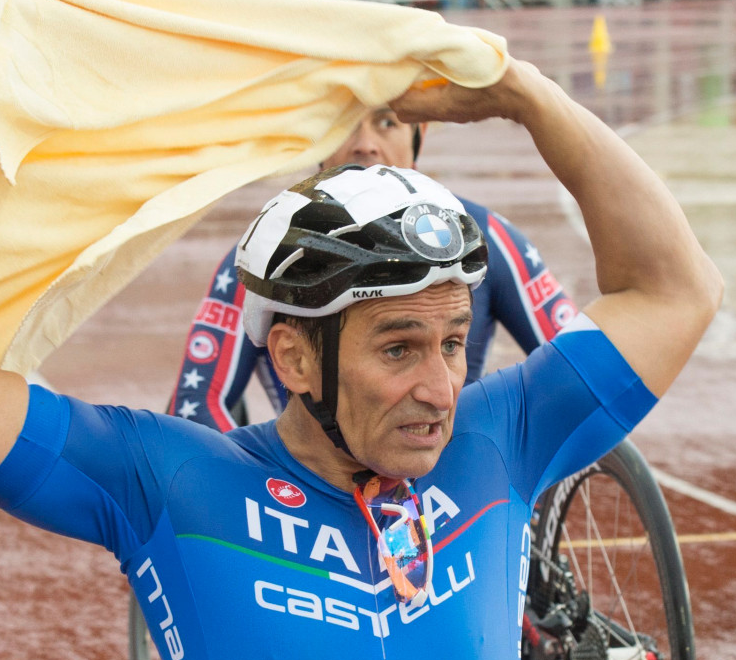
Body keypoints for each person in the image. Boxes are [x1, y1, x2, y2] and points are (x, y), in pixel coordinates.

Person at [0, 59, 722, 660]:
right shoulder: (173, 480)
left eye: (455, 342)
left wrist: (527, 97)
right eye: (399, 348)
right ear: (294, 357)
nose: (441, 388)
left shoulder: (498, 442)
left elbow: (678, 290)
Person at [169, 106, 578, 429]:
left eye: (387, 122)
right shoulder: (269, 254)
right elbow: (194, 409)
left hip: (448, 470)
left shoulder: (484, 235)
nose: (365, 145)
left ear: (420, 133)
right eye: (344, 123)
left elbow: (579, 370)